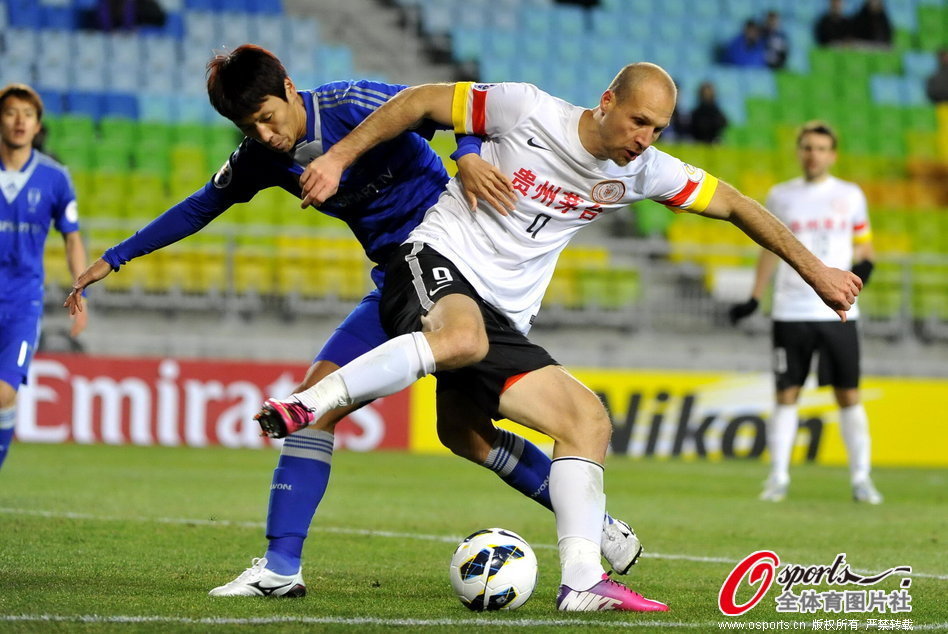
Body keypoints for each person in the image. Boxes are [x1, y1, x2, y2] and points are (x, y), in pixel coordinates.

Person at [255, 64, 863, 610]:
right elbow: (420, 102)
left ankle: (581, 580)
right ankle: (308, 404)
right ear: (606, 101)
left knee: (582, 422)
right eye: (637, 121)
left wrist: (817, 272)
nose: (644, 139)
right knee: (461, 338)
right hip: (436, 261)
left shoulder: (645, 170)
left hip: (504, 317)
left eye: (657, 128)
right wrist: (338, 159)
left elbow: (733, 203)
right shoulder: (527, 108)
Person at [64, 45, 643, 598]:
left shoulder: (354, 104)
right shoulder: (264, 157)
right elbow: (199, 205)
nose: (266, 135)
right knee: (339, 410)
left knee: (461, 428)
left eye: (268, 117)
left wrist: (466, 155)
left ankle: (596, 526)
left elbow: (453, 104)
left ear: (290, 88)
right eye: (250, 128)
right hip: (397, 281)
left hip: (457, 270)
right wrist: (116, 257)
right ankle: (280, 567)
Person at [728, 121, 881, 505]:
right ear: (799, 151)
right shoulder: (781, 197)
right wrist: (754, 296)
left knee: (849, 395)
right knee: (786, 394)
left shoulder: (850, 195)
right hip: (790, 310)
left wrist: (854, 282)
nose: (813, 154)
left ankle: (862, 479)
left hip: (838, 314)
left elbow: (865, 251)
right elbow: (769, 248)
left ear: (833, 155)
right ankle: (778, 477)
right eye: (808, 147)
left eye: (821, 148)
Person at [0, 83, 89, 472]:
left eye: (28, 115)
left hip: (22, 302)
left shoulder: (55, 178)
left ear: (38, 126)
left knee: (3, 393)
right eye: (11, 113)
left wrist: (80, 287)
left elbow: (72, 239)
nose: (19, 121)